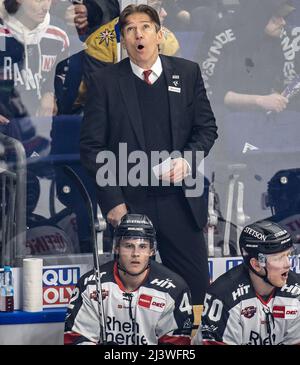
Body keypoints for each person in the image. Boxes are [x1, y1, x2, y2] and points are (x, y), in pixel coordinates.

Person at [80, 3, 218, 306]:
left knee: (196, 292)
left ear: (159, 34)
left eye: (145, 27)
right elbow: (92, 148)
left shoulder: (187, 72)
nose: (138, 34)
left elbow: (206, 129)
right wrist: (113, 200)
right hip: (131, 203)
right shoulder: (104, 83)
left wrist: (188, 159)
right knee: (134, 296)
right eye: (130, 29)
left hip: (181, 201)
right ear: (123, 39)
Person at [64, 214, 194, 345]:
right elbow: (76, 339)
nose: (135, 253)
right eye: (128, 246)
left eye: (142, 246)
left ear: (152, 250)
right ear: (116, 248)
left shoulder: (174, 290)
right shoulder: (90, 284)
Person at [192, 220, 300, 345]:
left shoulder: (297, 291)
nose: (288, 264)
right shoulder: (223, 296)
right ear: (256, 264)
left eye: (288, 255)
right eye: (279, 258)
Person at [0, 0, 69, 124]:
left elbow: (60, 71)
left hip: (39, 128)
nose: (46, 7)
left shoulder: (59, 33)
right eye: (39, 0)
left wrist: (51, 93)